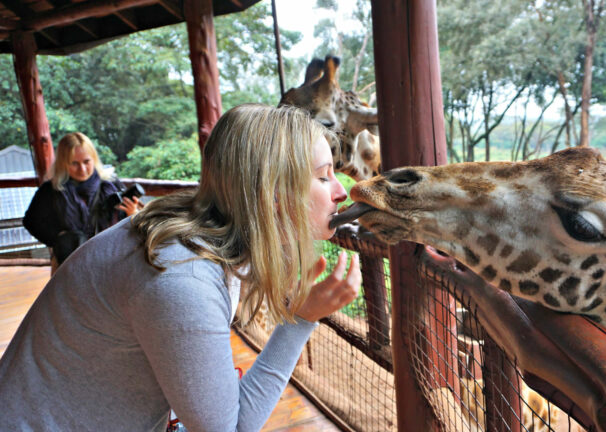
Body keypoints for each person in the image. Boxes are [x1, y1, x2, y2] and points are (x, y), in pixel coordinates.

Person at [0, 104, 361, 431]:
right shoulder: (184, 277)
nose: (342, 192)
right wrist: (300, 320)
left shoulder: (204, 234)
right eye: (323, 176)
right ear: (273, 192)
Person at [22, 132, 142, 271]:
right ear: (63, 163)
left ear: (94, 159)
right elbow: (31, 222)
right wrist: (59, 239)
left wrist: (132, 213)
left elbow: (132, 224)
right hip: (71, 266)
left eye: (87, 161)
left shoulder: (111, 184)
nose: (82, 169)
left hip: (112, 260)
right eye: (74, 163)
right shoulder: (50, 190)